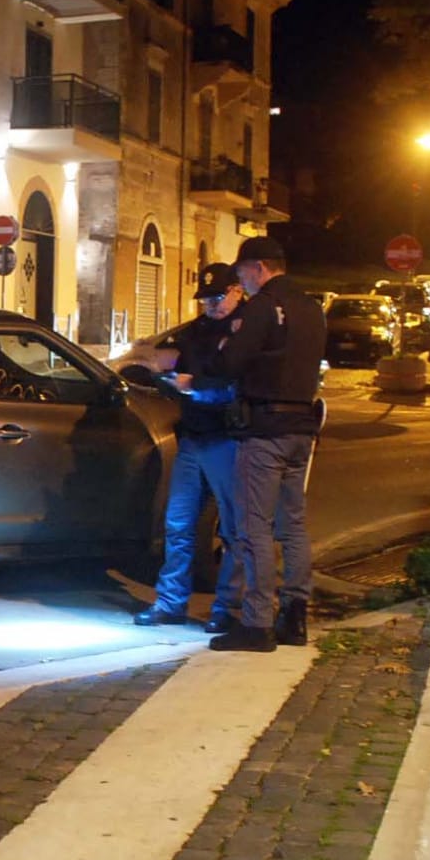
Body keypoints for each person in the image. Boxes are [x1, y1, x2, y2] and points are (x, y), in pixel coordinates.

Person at [202, 236, 325, 653]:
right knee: (293, 526)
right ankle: (296, 616)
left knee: (254, 525)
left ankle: (257, 623)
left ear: (257, 267)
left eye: (241, 272)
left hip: (264, 429)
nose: (241, 280)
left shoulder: (260, 307)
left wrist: (225, 345)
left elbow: (229, 363)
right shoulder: (312, 307)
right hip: (301, 429)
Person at [133, 262, 246, 633]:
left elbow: (238, 385)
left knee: (231, 528)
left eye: (218, 297)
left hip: (226, 437)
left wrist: (192, 386)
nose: (211, 305)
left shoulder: (245, 329)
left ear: (236, 291)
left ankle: (226, 608)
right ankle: (170, 602)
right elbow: (181, 363)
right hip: (193, 437)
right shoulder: (197, 330)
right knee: (178, 523)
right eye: (206, 299)